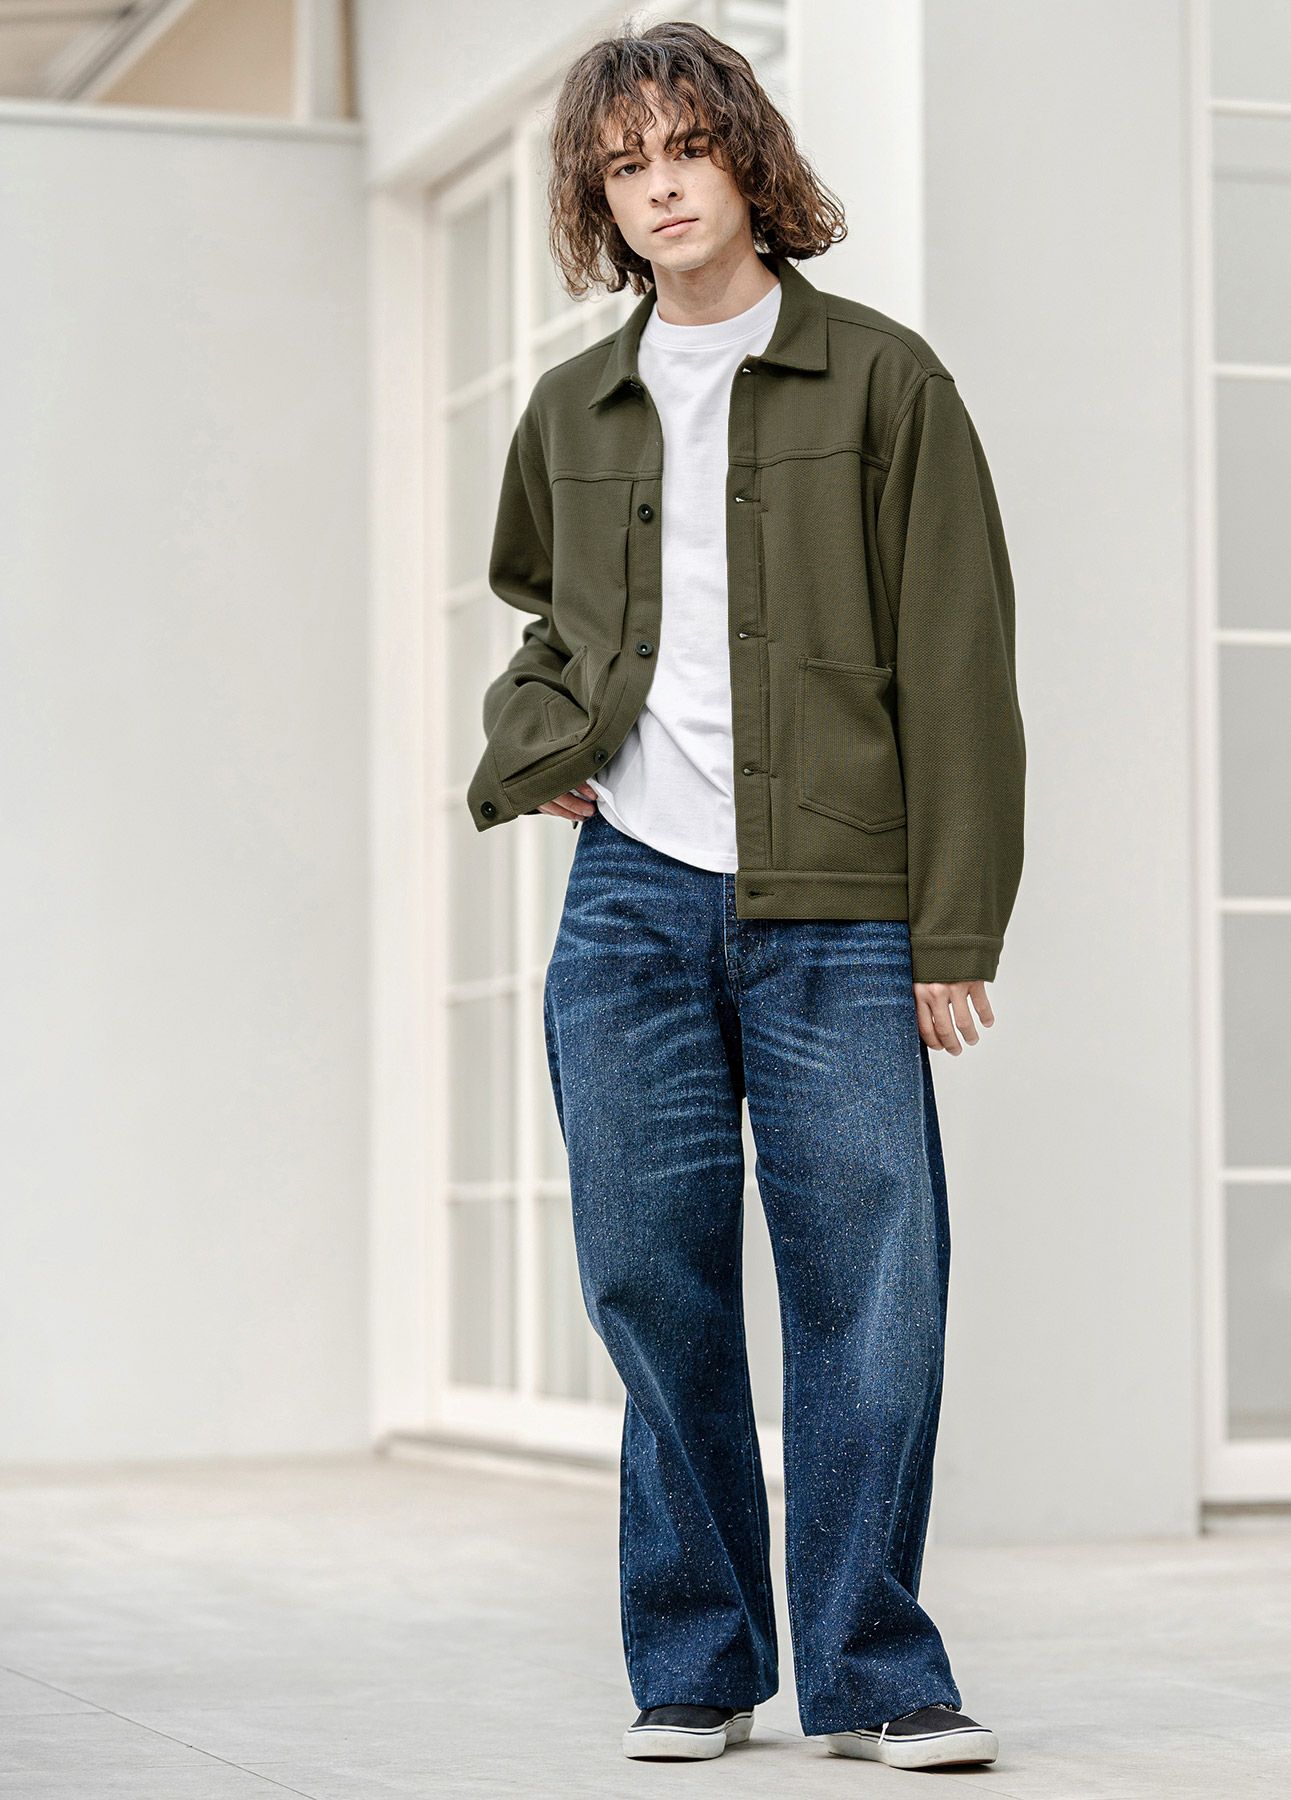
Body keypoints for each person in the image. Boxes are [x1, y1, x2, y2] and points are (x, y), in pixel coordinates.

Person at [466, 18, 1025, 1775]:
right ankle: (699, 1659)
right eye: (622, 166)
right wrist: (541, 738)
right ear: (601, 201)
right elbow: (547, 622)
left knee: (873, 1288)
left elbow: (961, 667)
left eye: (683, 149)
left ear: (745, 158)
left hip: (841, 907)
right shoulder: (573, 407)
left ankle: (874, 1670)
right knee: (652, 1277)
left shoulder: (884, 382)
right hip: (629, 906)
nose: (659, 188)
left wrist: (954, 926)